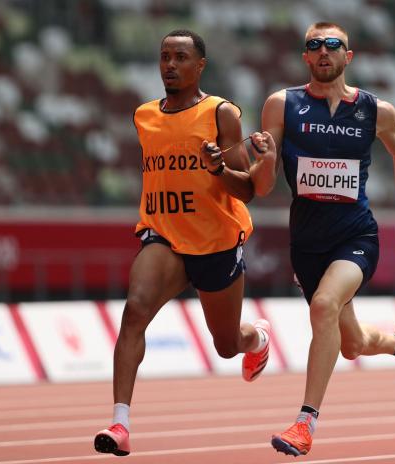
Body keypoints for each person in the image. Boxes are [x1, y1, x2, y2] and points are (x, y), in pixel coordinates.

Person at [254, 22, 395, 457]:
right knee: (352, 343)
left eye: (332, 45)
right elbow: (263, 182)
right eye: (313, 46)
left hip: (357, 236)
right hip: (307, 244)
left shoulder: (376, 111)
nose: (322, 52)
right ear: (305, 57)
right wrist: (261, 158)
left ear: (347, 57)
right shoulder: (282, 105)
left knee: (324, 305)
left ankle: (305, 423)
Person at [93, 29, 277, 457]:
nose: (170, 65)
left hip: (215, 242)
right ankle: (120, 424)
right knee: (134, 311)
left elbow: (246, 190)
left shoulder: (222, 113)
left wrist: (217, 169)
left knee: (227, 345)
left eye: (180, 57)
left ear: (200, 66)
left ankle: (257, 340)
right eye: (164, 57)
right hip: (164, 235)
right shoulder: (143, 115)